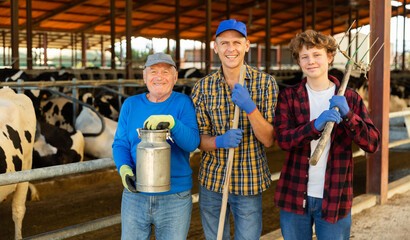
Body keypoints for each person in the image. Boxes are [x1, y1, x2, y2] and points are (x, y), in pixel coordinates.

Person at [274, 29, 381, 240]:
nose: (310, 61)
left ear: (330, 57)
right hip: (294, 195)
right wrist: (315, 125)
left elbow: (372, 143)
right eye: (304, 56)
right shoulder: (289, 96)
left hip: (335, 196)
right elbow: (283, 140)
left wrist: (349, 115)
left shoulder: (350, 98)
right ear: (298, 61)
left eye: (317, 55)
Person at [191, 19, 279, 240]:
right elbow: (197, 139)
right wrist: (219, 141)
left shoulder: (265, 84)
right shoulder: (203, 87)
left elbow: (269, 139)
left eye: (237, 42)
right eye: (224, 43)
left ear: (247, 45)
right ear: (216, 47)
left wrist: (250, 109)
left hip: (249, 181)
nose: (231, 49)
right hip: (212, 182)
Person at [112, 52, 200, 240]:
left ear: (175, 77)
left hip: (175, 196)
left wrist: (173, 123)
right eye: (153, 71)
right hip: (136, 193)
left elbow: (192, 143)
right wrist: (124, 168)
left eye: (166, 72)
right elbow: (120, 144)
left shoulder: (183, 103)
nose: (159, 77)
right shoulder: (130, 104)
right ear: (144, 76)